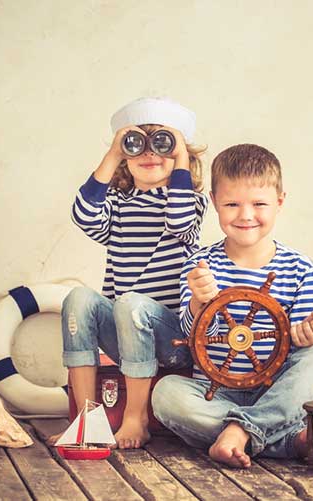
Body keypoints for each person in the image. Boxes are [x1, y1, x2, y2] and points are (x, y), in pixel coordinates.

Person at [151, 143, 313, 467]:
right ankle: (279, 438)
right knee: (166, 393)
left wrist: (308, 333)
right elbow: (190, 336)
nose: (246, 215)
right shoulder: (199, 265)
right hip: (214, 394)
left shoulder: (299, 268)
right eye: (232, 203)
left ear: (280, 202)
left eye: (259, 204)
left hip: (277, 391)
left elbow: (303, 343)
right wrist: (200, 302)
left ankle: (240, 432)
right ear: (214, 202)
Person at [52, 97, 207, 449]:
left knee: (131, 303)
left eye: (164, 144)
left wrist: (180, 157)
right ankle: (86, 420)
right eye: (137, 145)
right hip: (125, 335)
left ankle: (135, 418)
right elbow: (84, 216)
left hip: (173, 339)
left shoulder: (191, 202)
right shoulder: (118, 206)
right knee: (79, 297)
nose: (150, 153)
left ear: (182, 154)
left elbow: (178, 219)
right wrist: (112, 154)